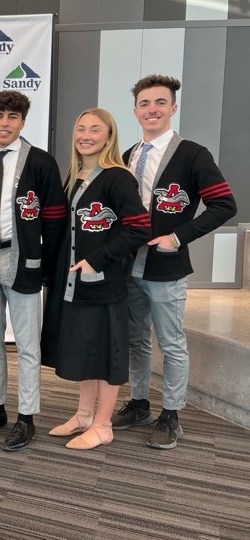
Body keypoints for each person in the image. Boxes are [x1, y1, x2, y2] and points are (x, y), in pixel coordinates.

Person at [113, 75, 236, 449]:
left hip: (166, 267)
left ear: (173, 108)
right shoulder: (126, 155)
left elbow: (224, 205)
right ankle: (138, 402)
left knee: (170, 342)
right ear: (135, 111)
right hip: (128, 265)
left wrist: (178, 236)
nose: (152, 109)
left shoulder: (193, 154)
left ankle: (171, 413)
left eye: (160, 103)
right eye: (145, 104)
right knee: (136, 340)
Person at [0, 90, 67, 451]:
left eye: (12, 117)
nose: (4, 123)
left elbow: (54, 220)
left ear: (23, 122)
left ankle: (27, 416)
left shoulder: (40, 162)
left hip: (22, 260)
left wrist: (47, 268)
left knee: (26, 343)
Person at [41, 108, 150, 449]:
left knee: (106, 353)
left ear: (109, 136)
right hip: (74, 283)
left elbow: (139, 227)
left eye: (95, 129)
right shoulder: (74, 176)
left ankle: (103, 425)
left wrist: (97, 260)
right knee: (85, 349)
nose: (85, 135)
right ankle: (85, 415)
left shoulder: (118, 177)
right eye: (80, 128)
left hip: (103, 283)